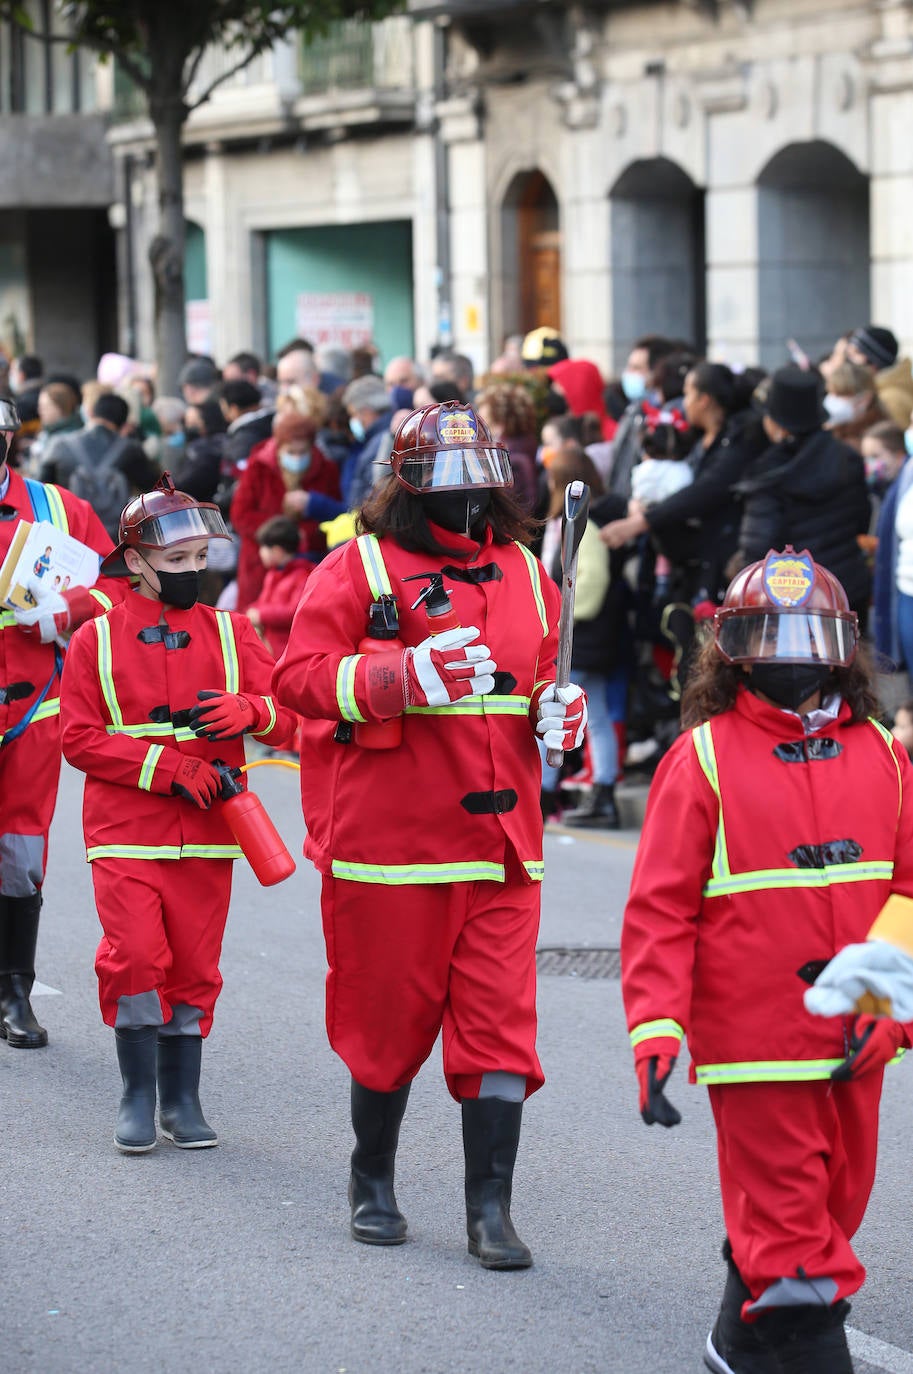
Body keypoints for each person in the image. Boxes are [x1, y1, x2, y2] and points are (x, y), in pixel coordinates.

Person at [272, 401, 587, 1269]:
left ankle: (490, 1209)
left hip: (502, 847)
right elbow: (296, 678)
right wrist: (398, 674)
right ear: (407, 490)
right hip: (390, 848)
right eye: (450, 487)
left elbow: (544, 678)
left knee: (498, 1029)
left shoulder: (529, 570)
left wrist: (562, 718)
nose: (469, 502)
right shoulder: (357, 566)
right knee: (387, 1026)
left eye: (481, 483)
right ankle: (371, 1176)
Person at [621, 546, 913, 1374]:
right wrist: (654, 1032)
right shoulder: (701, 757)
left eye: (805, 639)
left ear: (840, 648)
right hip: (752, 1043)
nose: (789, 659)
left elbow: (909, 892)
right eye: (768, 639)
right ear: (732, 649)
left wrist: (889, 1013)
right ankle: (783, 1323)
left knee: (828, 1210)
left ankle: (733, 1343)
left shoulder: (886, 757)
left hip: (860, 1041)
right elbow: (658, 912)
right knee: (799, 1259)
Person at [59, 475, 298, 1153]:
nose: (194, 573)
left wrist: (253, 711)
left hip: (210, 834)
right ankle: (138, 1096)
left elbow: (286, 715)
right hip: (126, 831)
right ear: (135, 563)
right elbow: (78, 737)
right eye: (176, 563)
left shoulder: (233, 630)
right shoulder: (93, 640)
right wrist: (167, 769)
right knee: (134, 957)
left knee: (196, 966)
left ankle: (182, 1100)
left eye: (201, 560)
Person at [0, 398, 122, 1048]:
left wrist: (67, 610)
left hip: (31, 703)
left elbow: (117, 584)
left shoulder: (56, 507)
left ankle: (14, 989)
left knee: (20, 854)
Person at [731, 366, 871, 624]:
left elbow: (757, 549)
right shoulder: (847, 457)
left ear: (776, 422)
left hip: (790, 598)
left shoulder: (767, 472)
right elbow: (862, 519)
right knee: (849, 663)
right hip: (845, 589)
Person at [538, 443, 625, 828]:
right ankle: (602, 791)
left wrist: (561, 624)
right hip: (597, 636)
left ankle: (543, 792)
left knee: (555, 713)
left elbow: (590, 581)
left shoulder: (579, 526)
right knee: (598, 716)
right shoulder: (596, 519)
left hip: (579, 638)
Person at [230, 410, 341, 611]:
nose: (297, 458)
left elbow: (336, 517)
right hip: (261, 562)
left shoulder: (326, 469)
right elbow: (240, 515)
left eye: (302, 452)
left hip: (306, 566)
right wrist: (281, 533)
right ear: (279, 447)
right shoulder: (258, 467)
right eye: (291, 452)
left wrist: (307, 526)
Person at [246, 515, 313, 660]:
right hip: (269, 645)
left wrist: (261, 615)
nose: (260, 553)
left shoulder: (301, 575)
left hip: (286, 649)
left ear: (276, 551)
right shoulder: (272, 574)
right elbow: (263, 602)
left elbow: (294, 611)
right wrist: (251, 611)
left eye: (263, 548)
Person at [846, 325, 913, 432]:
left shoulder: (890, 399)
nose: (849, 361)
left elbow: (894, 444)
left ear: (873, 362)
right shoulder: (881, 390)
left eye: (855, 354)